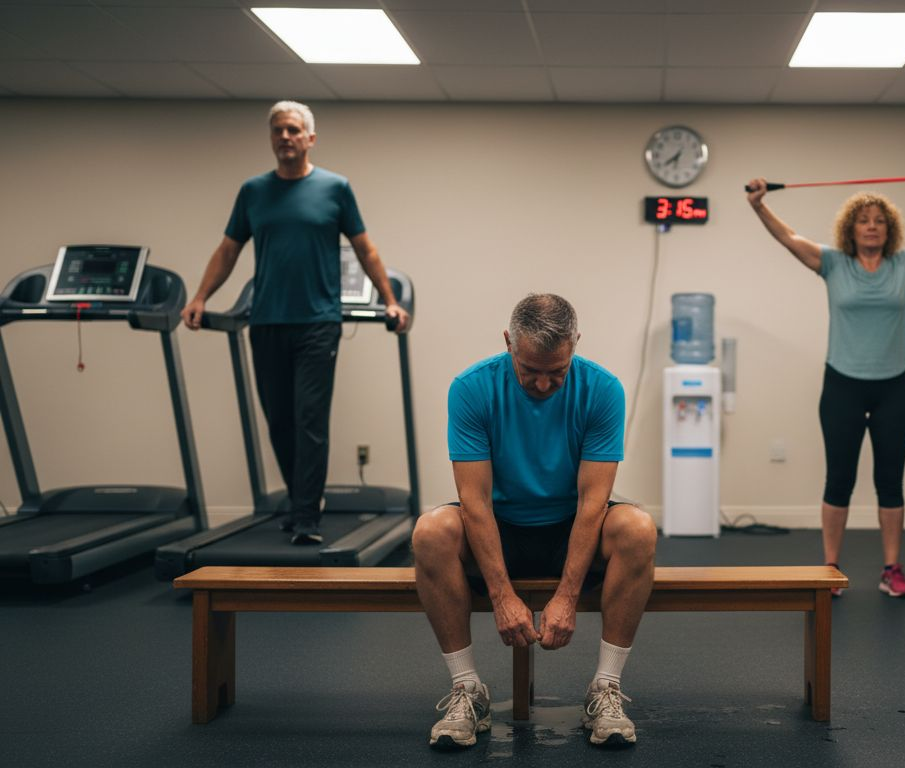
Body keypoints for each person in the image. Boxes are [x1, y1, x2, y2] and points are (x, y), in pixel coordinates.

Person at [413, 293, 657, 749]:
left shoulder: (603, 389)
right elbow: (474, 502)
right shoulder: (471, 388)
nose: (543, 384)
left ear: (575, 344)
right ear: (508, 342)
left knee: (638, 528)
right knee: (430, 531)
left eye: (556, 372)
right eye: (529, 370)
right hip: (499, 527)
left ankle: (606, 688)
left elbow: (592, 503)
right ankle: (467, 689)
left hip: (571, 527)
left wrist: (566, 596)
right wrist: (502, 596)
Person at [745, 165, 905, 598]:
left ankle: (891, 569)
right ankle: (830, 569)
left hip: (894, 387)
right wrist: (759, 205)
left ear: (889, 228)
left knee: (890, 481)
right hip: (842, 385)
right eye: (864, 220)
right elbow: (789, 237)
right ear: (851, 228)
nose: (872, 226)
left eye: (879, 220)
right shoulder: (832, 263)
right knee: (838, 479)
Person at [181, 100, 409, 545]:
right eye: (278, 130)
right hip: (266, 320)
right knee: (279, 422)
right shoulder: (253, 192)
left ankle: (306, 515)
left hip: (317, 322)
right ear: (271, 138)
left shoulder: (335, 188)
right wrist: (201, 297)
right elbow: (228, 250)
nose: (285, 137)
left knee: (309, 420)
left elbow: (365, 249)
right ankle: (301, 499)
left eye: (293, 129)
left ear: (310, 138)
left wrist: (389, 301)